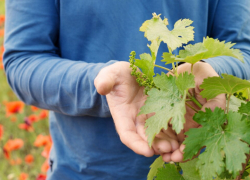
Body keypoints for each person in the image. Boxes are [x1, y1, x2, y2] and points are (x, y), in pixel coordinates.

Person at [3, 0, 250, 179]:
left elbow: (243, 53)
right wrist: (103, 86)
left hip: (198, 167)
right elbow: (24, 59)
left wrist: (210, 73)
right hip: (82, 172)